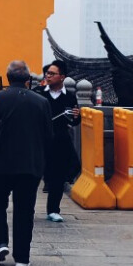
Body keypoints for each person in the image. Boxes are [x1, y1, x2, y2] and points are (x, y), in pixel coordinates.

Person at [0, 60, 52, 266]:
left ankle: (1, 243)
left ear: (8, 77)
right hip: (30, 165)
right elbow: (48, 135)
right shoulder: (41, 102)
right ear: (28, 79)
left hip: (1, 164)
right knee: (24, 209)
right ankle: (22, 257)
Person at [35, 60, 80, 222]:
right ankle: (26, 207)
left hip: (60, 140)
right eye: (47, 73)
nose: (48, 76)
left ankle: (53, 210)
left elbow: (74, 122)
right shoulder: (39, 93)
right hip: (40, 141)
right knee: (33, 176)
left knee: (58, 177)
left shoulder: (69, 96)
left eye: (52, 74)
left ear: (62, 77)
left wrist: (76, 116)